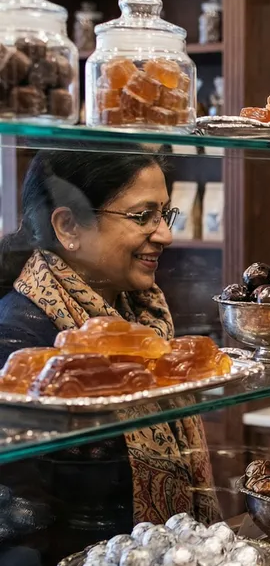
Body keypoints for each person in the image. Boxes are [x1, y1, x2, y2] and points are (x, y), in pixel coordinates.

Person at [0, 148, 215, 525]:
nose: (165, 234)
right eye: (142, 216)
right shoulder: (20, 338)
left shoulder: (143, 313)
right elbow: (22, 526)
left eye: (165, 214)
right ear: (68, 227)